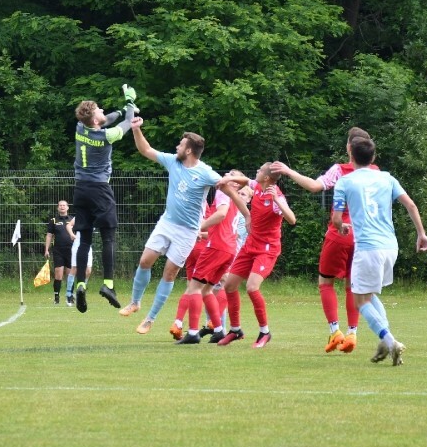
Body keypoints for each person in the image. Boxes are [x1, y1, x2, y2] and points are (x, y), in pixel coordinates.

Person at [119, 118, 239, 337]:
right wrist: (136, 129)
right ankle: (135, 302)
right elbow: (145, 149)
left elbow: (226, 184)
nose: (177, 147)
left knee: (169, 273)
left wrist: (242, 196)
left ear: (190, 150)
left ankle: (150, 319)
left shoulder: (205, 172)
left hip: (187, 232)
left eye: (181, 144)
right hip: (167, 223)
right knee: (145, 261)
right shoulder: (172, 161)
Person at [271, 126, 374, 354]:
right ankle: (353, 333)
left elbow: (314, 186)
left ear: (349, 147)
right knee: (352, 286)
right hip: (366, 238)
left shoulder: (340, 170)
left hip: (340, 234)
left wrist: (288, 171)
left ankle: (335, 331)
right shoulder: (377, 172)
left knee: (325, 283)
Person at [331, 137, 427, 366]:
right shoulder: (387, 178)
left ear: (350, 154)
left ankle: (390, 340)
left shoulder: (344, 182)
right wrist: (421, 234)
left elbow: (336, 218)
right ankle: (386, 342)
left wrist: (341, 226)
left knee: (360, 300)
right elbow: (411, 205)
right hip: (390, 246)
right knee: (370, 294)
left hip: (368, 247)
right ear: (373, 158)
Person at [71, 85, 138, 313]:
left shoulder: (81, 127)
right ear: (96, 120)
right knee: (108, 238)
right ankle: (108, 285)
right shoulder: (107, 135)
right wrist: (129, 103)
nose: (102, 109)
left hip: (80, 189)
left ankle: (80, 283)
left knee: (85, 239)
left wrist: (120, 111)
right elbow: (128, 123)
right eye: (99, 109)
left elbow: (107, 118)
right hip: (100, 189)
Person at [216, 162, 297, 348]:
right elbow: (245, 180)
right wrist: (229, 178)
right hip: (250, 245)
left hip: (267, 249)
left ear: (267, 178)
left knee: (252, 287)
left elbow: (292, 219)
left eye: (260, 170)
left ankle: (265, 332)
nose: (257, 172)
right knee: (229, 285)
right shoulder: (257, 186)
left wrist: (277, 200)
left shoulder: (275, 196)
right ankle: (235, 330)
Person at [169, 171, 250, 344]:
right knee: (207, 290)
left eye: (231, 174)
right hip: (228, 249)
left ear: (235, 183)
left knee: (194, 287)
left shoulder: (224, 191)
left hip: (216, 247)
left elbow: (221, 214)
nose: (226, 174)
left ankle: (192, 333)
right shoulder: (235, 197)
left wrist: (200, 227)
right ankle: (219, 330)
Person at [44, 200, 74, 305]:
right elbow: (49, 235)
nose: (62, 207)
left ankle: (70, 297)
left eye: (64, 205)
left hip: (71, 250)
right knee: (58, 274)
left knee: (71, 274)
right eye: (60, 205)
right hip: (58, 250)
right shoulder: (53, 220)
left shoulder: (72, 220)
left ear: (67, 207)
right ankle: (56, 298)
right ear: (58, 208)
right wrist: (46, 249)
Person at [63, 221, 93, 306]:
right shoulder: (80, 216)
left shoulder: (94, 215)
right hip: (78, 246)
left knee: (88, 270)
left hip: (88, 246)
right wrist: (72, 234)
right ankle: (69, 295)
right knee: (75, 268)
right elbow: (68, 225)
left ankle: (80, 293)